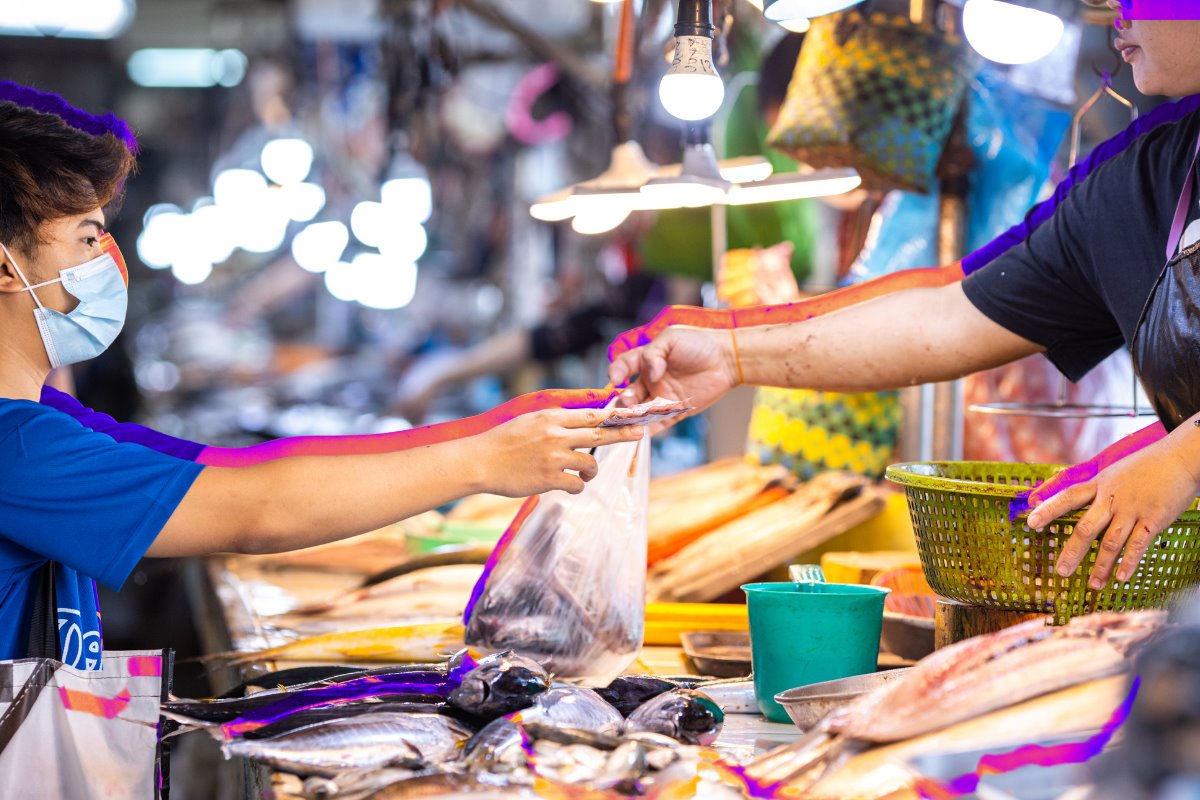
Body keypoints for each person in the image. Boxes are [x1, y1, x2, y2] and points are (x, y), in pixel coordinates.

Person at [0, 82, 637, 669]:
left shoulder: (47, 423)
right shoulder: (18, 448)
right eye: (87, 241)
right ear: (7, 267)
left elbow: (242, 469)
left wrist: (491, 428)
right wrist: (481, 461)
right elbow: (258, 510)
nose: (109, 264)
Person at [610, 4, 1200, 593]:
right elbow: (947, 314)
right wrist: (733, 354)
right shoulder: (1144, 180)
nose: (1114, 12)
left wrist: (1182, 459)